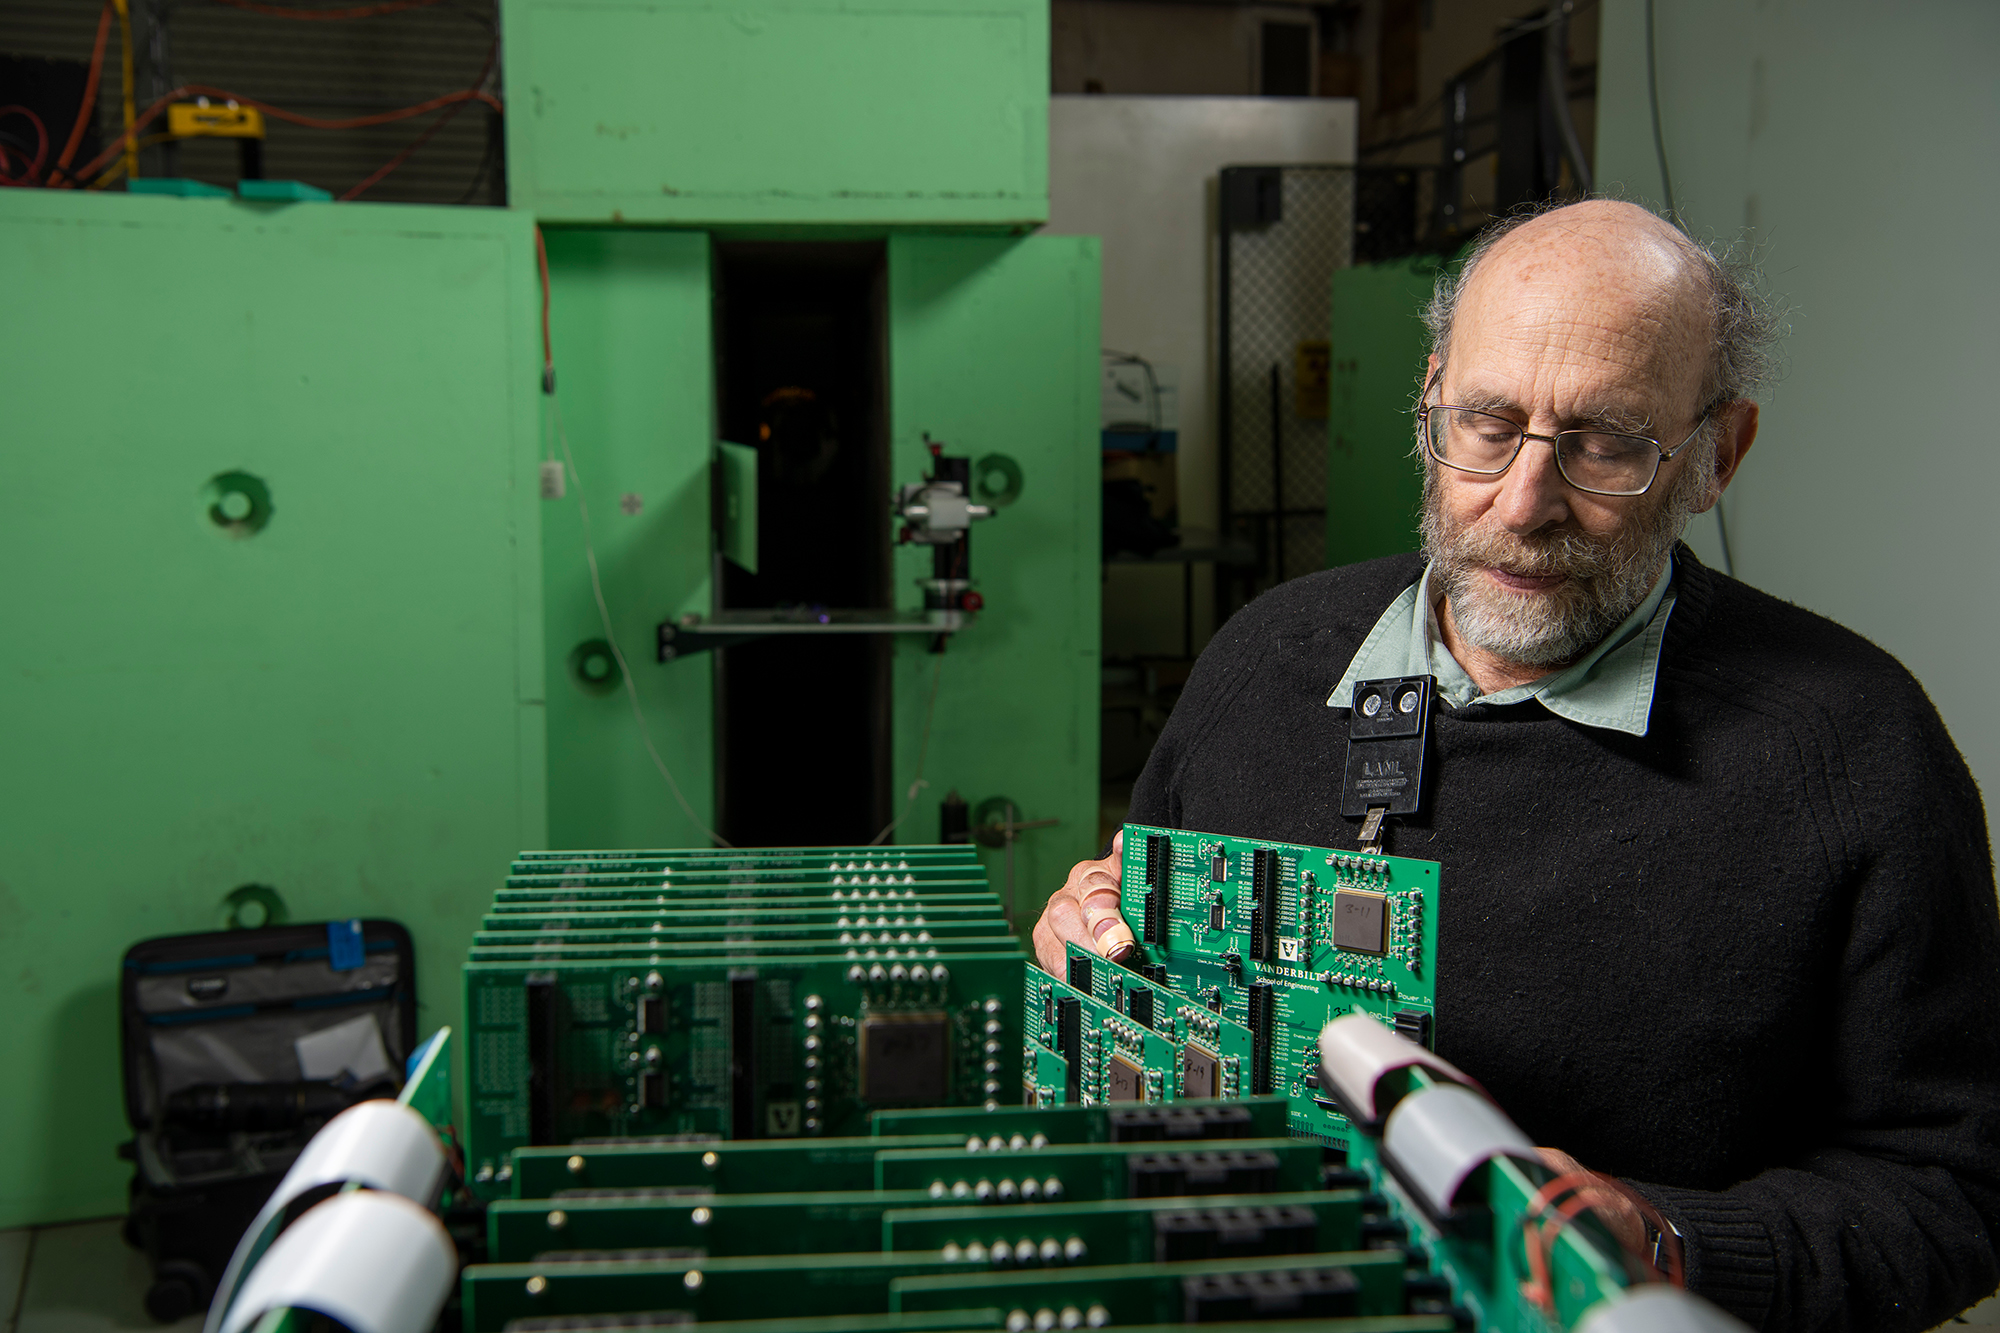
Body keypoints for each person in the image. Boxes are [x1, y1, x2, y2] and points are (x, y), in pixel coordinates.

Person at [1034, 200, 2000, 1333]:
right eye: (1486, 423)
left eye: (1604, 442)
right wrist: (1092, 949)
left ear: (1714, 455)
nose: (1524, 502)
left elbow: (1954, 1186)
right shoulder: (1266, 656)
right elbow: (1140, 985)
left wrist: (1669, 1242)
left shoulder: (1852, 746)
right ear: (1427, 403)